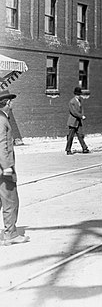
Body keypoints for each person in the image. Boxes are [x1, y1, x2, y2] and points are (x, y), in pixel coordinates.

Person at [0, 91, 29, 245]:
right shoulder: (2, 120)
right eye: (11, 101)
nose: (13, 103)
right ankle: (10, 234)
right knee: (11, 200)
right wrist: (7, 168)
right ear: (8, 102)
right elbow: (2, 147)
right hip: (3, 170)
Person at [65, 86, 90, 155]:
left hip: (78, 121)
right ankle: (68, 150)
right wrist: (81, 116)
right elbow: (74, 112)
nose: (79, 96)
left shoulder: (79, 101)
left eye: (79, 95)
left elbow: (81, 110)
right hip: (72, 122)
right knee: (70, 137)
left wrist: (82, 115)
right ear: (75, 94)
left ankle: (84, 148)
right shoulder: (71, 102)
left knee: (80, 135)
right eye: (77, 95)